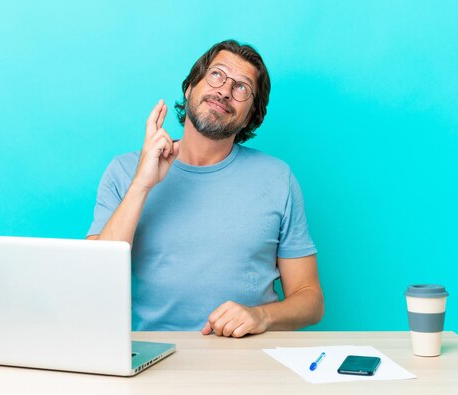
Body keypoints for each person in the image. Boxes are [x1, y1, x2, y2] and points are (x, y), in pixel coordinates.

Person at [86, 39, 324, 338]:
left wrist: (261, 316)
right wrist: (142, 184)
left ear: (251, 114)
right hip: (153, 359)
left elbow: (310, 299)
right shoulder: (124, 172)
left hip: (250, 360)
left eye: (241, 88)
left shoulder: (278, 178)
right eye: (216, 75)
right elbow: (95, 279)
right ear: (190, 88)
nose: (224, 90)